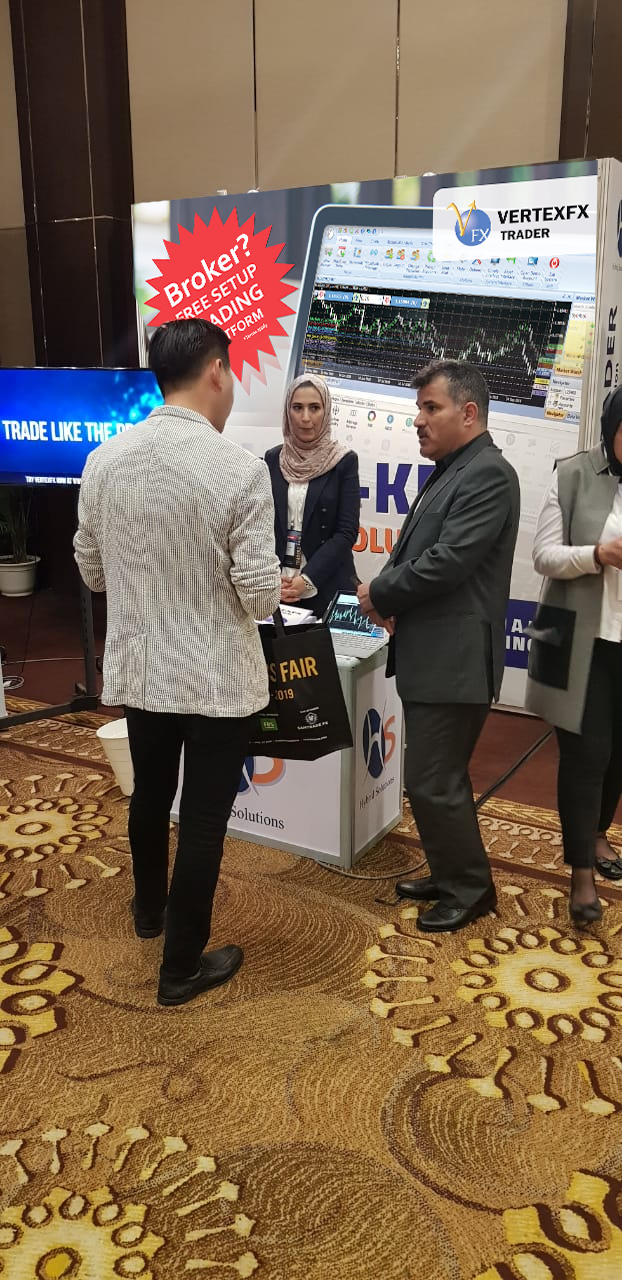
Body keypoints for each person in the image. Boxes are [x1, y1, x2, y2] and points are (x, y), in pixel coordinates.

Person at [74, 319, 281, 1006]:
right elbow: (258, 597)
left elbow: (92, 571)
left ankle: (148, 912)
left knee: (149, 796)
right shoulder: (241, 470)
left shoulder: (104, 461)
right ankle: (180, 968)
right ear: (217, 370)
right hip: (218, 679)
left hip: (142, 673)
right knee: (202, 821)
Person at [358, 359, 520, 933]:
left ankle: (470, 890)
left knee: (435, 780)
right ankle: (450, 871)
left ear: (468, 413)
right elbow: (415, 550)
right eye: (419, 409)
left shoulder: (488, 474)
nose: (419, 421)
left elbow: (447, 563)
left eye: (432, 408)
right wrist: (386, 591)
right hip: (434, 655)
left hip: (456, 662)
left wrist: (380, 592)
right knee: (431, 777)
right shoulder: (453, 468)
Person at [525, 387, 622, 926]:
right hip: (584, 644)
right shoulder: (573, 473)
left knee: (618, 755)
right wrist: (596, 554)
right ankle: (581, 875)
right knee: (588, 758)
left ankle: (598, 833)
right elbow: (543, 556)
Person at [264, 373, 360, 617]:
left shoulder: (343, 461)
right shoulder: (273, 459)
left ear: (326, 412)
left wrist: (307, 579)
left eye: (314, 408)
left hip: (325, 585)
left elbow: (346, 532)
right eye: (297, 407)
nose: (305, 418)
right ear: (288, 412)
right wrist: (274, 576)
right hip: (278, 587)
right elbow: (263, 524)